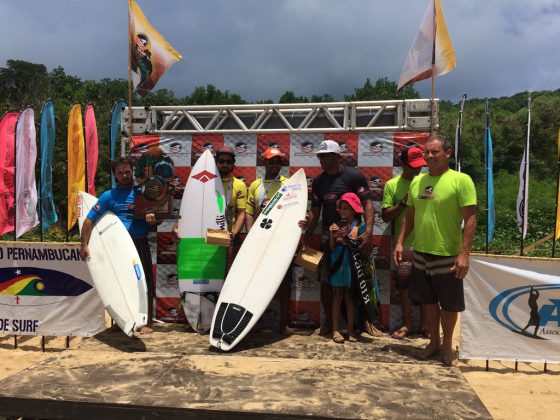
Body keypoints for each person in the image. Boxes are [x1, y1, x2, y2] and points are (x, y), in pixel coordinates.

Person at [393, 135, 476, 366]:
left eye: (434, 152)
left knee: (449, 304)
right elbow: (409, 216)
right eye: (426, 152)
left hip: (448, 254)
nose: (429, 156)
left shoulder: (461, 180)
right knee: (428, 302)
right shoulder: (418, 181)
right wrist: (400, 242)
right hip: (420, 253)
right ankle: (434, 343)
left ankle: (447, 345)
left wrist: (464, 253)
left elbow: (470, 219)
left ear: (447, 153)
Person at [304, 140, 375, 337]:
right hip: (331, 240)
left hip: (354, 239)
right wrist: (305, 236)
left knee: (358, 282)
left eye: (327, 156)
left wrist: (368, 232)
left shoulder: (353, 175)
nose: (323, 159)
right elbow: (315, 212)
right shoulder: (318, 182)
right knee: (327, 283)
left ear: (338, 156)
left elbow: (368, 204)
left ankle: (364, 322)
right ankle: (329, 323)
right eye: (321, 156)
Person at [80, 157, 158, 335]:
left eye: (127, 172)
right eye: (120, 173)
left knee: (144, 281)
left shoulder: (143, 192)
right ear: (115, 175)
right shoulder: (109, 196)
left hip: (139, 243)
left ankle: (147, 322)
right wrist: (84, 244)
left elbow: (156, 219)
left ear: (132, 171)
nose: (124, 175)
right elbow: (89, 221)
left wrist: (154, 220)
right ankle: (120, 321)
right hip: (119, 248)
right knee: (119, 282)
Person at [245, 147, 293, 335]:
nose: (274, 165)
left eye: (278, 162)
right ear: (264, 162)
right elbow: (249, 211)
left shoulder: (289, 184)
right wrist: (251, 234)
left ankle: (283, 324)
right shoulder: (255, 185)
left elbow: (292, 211)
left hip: (281, 242)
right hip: (260, 242)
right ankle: (256, 322)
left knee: (284, 283)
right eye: (271, 161)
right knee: (257, 282)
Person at [382, 145, 427, 340]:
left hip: (427, 243)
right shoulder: (392, 185)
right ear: (402, 164)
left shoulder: (427, 182)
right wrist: (404, 203)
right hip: (404, 245)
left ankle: (426, 326)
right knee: (404, 285)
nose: (417, 170)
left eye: (420, 166)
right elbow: (384, 216)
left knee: (428, 287)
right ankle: (408, 324)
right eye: (413, 166)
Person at [328, 193, 366, 344]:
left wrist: (351, 240)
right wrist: (332, 235)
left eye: (346, 208)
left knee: (351, 298)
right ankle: (335, 329)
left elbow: (363, 248)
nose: (342, 211)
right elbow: (331, 247)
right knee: (337, 296)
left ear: (354, 210)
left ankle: (350, 330)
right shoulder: (336, 224)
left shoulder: (360, 226)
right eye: (340, 208)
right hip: (337, 262)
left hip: (353, 264)